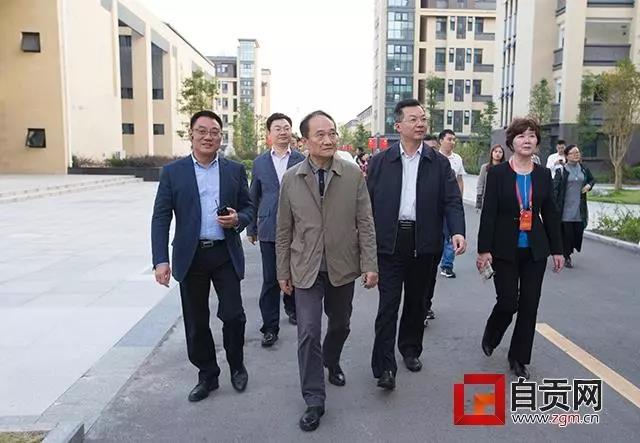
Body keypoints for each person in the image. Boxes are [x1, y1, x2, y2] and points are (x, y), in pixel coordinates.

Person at [276, 110, 378, 432]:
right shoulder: (291, 178)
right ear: (304, 141)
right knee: (307, 331)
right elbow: (283, 229)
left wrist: (370, 264)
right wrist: (282, 271)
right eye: (320, 134)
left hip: (342, 265)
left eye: (332, 133)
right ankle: (314, 399)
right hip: (304, 267)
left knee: (341, 324)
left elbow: (365, 222)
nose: (328, 139)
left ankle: (331, 359)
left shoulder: (352, 175)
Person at [151, 110, 253, 402]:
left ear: (221, 137)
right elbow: (161, 217)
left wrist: (238, 219)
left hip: (224, 253)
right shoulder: (173, 172)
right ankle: (207, 375)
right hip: (191, 255)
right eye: (202, 131)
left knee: (234, 316)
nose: (208, 137)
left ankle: (237, 365)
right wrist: (160, 260)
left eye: (215, 132)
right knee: (196, 321)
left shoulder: (234, 170)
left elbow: (249, 208)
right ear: (192, 134)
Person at [367, 99, 466, 390]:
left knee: (417, 302)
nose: (420, 124)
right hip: (389, 241)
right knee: (388, 306)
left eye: (423, 118)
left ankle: (410, 349)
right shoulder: (380, 162)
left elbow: (452, 201)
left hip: (425, 242)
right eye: (413, 119)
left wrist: (457, 231)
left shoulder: (439, 163)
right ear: (398, 126)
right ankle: (384, 367)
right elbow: (366, 204)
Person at [477, 117, 564, 380]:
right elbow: (489, 214)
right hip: (504, 248)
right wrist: (483, 250)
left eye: (532, 135)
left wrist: (558, 250)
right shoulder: (498, 174)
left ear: (537, 141)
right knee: (507, 302)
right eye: (521, 136)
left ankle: (518, 358)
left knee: (529, 304)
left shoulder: (543, 175)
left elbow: (550, 214)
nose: (527, 140)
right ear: (511, 142)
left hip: (535, 249)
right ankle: (493, 332)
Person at [248, 113, 305, 347]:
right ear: (269, 134)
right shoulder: (260, 163)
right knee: (271, 279)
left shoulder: (302, 160)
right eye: (278, 128)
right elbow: (253, 196)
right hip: (269, 227)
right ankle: (270, 327)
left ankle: (293, 309)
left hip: (298, 228)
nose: (283, 132)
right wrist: (251, 227)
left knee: (296, 273)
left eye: (286, 128)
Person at [553, 144, 595, 268]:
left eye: (577, 152)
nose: (576, 155)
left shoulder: (584, 169)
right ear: (567, 156)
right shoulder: (561, 171)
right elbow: (554, 189)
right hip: (565, 208)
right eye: (573, 153)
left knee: (577, 232)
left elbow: (592, 180)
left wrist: (589, 186)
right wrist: (552, 206)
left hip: (579, 208)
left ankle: (568, 251)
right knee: (567, 234)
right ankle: (567, 256)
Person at [438, 129, 466, 278]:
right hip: (436, 204)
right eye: (449, 139)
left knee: (451, 233)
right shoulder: (434, 158)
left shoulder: (457, 159)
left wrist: (459, 199)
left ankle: (447, 265)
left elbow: (459, 180)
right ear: (441, 140)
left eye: (454, 139)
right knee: (438, 234)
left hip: (451, 203)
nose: (452, 142)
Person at [422, 134, 440, 326]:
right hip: (406, 234)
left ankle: (425, 305)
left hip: (435, 232)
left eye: (433, 148)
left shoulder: (442, 166)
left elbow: (452, 200)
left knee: (429, 275)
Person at [476, 144, 506, 210]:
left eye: (500, 152)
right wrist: (479, 200)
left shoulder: (505, 168)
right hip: (487, 199)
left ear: (503, 154)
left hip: (501, 200)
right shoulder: (485, 167)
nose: (497, 154)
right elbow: (480, 183)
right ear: (492, 153)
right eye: (495, 151)